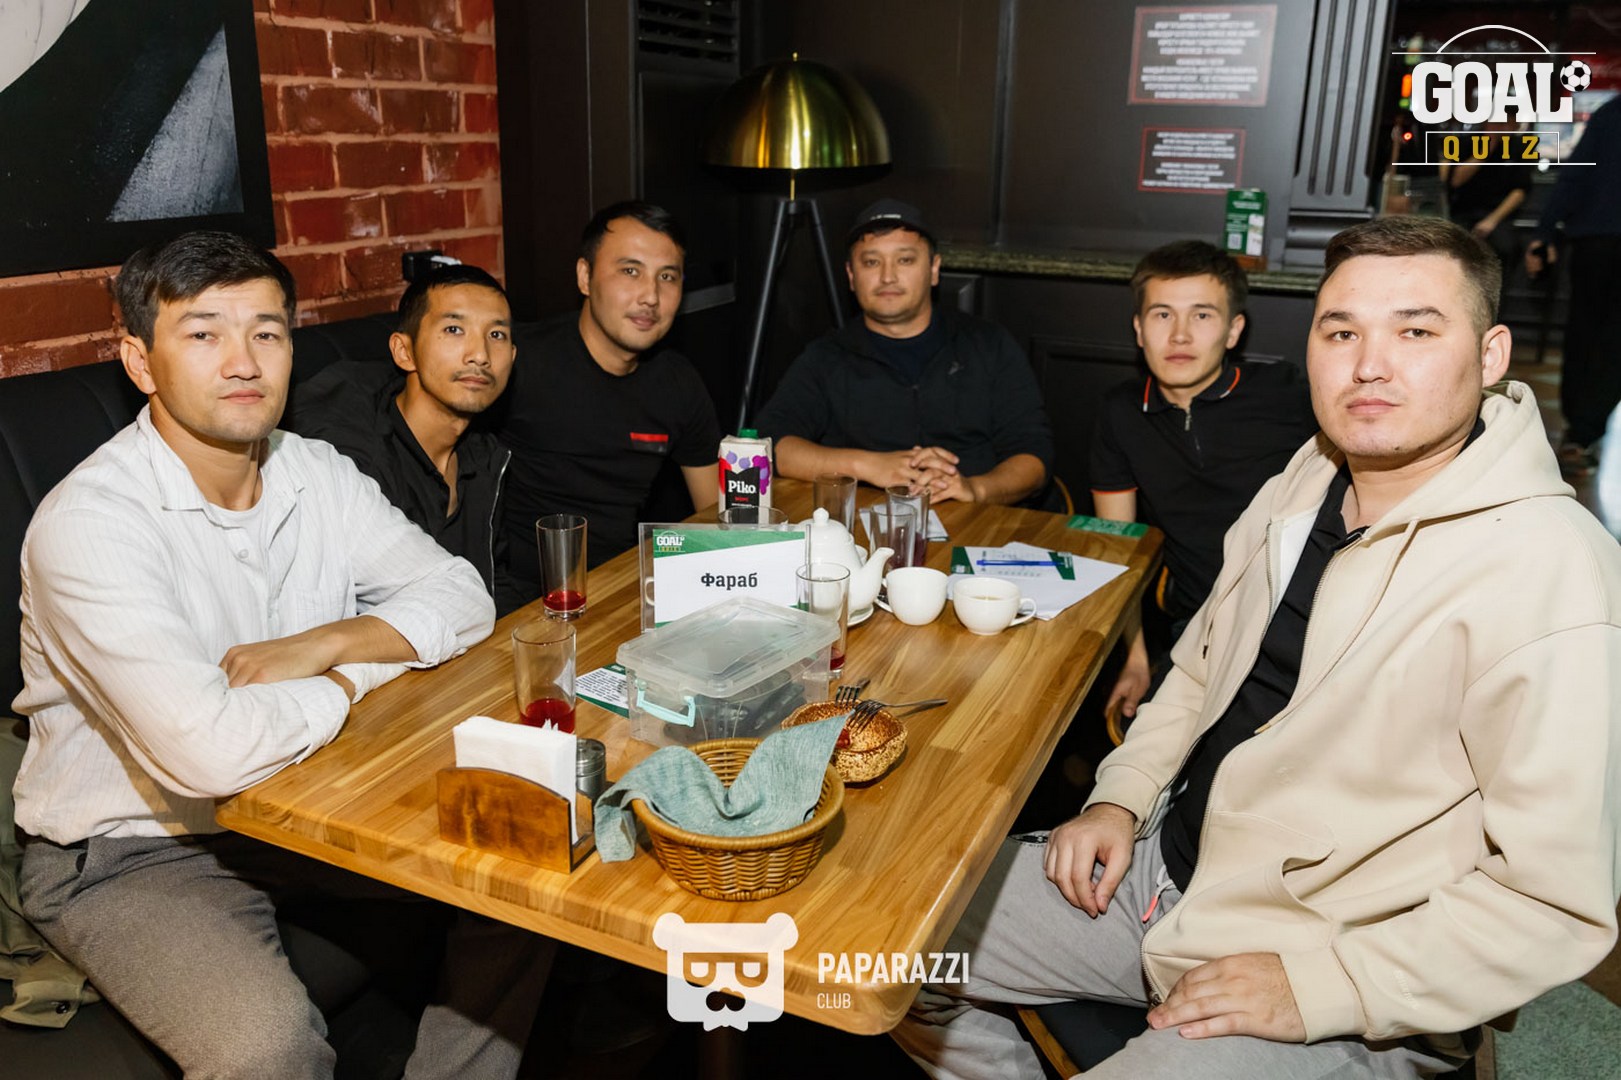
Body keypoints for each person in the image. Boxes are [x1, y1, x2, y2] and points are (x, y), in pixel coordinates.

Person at [893, 216, 1621, 1079]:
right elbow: (1200, 667)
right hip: (1163, 873)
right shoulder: (1308, 476)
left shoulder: (1556, 574)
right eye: (1340, 332)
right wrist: (1119, 798)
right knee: (879, 942)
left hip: (1339, 963)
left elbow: (1551, 901)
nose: (1368, 365)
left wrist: (1324, 986)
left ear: (1491, 354)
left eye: (1415, 332)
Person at [11, 232, 551, 1079]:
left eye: (266, 333)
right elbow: (211, 753)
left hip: (310, 800)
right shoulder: (91, 523)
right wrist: (353, 678)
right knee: (268, 1048)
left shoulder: (315, 469)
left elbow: (461, 595)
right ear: (140, 361)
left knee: (528, 867)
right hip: (135, 847)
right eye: (204, 334)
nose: (244, 362)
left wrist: (326, 647)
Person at [1091, 241, 1318, 722]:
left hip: (1305, 626)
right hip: (1200, 634)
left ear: (1234, 330)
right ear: (1138, 329)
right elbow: (1119, 549)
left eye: (1202, 315)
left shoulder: (1289, 397)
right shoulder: (1121, 412)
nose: (1179, 335)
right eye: (1162, 315)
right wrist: (1134, 657)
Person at [756, 198, 1054, 506]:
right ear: (851, 276)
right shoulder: (827, 356)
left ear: (934, 269)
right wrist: (866, 465)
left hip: (984, 520)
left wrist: (974, 489)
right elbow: (770, 446)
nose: (888, 276)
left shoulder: (988, 344)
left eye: (905, 260)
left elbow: (1034, 455)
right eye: (871, 262)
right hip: (867, 524)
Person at [496, 201, 720, 583]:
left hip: (620, 586)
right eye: (630, 271)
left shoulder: (678, 383)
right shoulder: (518, 362)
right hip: (514, 596)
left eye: (667, 277)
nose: (651, 296)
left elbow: (716, 518)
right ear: (585, 277)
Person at [293, 264, 524, 614]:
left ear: (513, 357)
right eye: (454, 329)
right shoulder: (356, 460)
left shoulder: (486, 456)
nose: (480, 354)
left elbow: (494, 583)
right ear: (405, 351)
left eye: (496, 335)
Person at [1526, 94, 1621, 478]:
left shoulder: (1609, 113)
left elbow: (1574, 177)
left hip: (1593, 241)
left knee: (1583, 332)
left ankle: (1578, 432)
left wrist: (1545, 231)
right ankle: (1589, 431)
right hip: (1597, 239)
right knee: (1614, 340)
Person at [1441, 118, 1531, 321]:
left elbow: (1520, 190)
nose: (1502, 128)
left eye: (1508, 123)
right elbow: (1454, 180)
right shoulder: (1464, 143)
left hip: (1497, 218)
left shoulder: (1520, 147)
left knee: (1504, 248)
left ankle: (1493, 316)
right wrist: (1485, 149)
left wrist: (1492, 220)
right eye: (1498, 123)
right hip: (1461, 213)